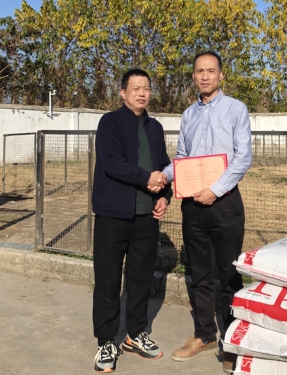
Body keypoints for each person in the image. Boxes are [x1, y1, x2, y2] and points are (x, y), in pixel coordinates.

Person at [162, 50, 252, 373]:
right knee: (199, 273)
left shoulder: (236, 109)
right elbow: (181, 157)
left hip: (224, 202)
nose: (205, 76)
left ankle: (232, 342)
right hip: (192, 204)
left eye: (210, 70)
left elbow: (243, 157)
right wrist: (164, 176)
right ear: (194, 76)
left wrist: (215, 189)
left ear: (220, 75)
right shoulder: (188, 114)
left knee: (228, 274)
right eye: (199, 71)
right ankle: (204, 335)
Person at [91, 68, 172, 372]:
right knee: (108, 280)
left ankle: (135, 335)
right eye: (135, 88)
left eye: (146, 88)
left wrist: (165, 196)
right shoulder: (110, 122)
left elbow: (163, 165)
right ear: (123, 93)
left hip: (146, 216)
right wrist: (145, 178)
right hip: (113, 214)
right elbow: (112, 162)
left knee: (141, 279)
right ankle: (106, 341)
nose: (142, 93)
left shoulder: (155, 127)